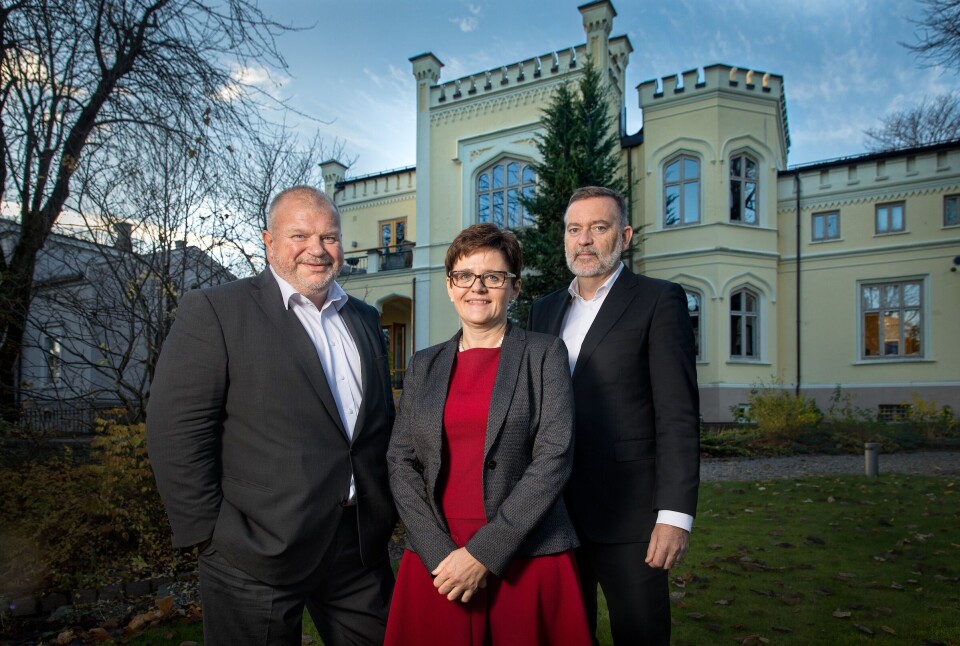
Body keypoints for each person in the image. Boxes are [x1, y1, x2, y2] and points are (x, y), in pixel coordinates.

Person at [147, 186, 397, 646]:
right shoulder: (219, 311)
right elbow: (175, 434)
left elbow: (375, 425)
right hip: (255, 549)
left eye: (330, 237)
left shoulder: (364, 318)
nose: (317, 250)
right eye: (300, 235)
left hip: (357, 546)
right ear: (268, 240)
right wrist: (213, 535)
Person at [385, 223, 591, 645]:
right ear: (449, 286)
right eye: (464, 276)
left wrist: (484, 552)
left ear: (513, 289)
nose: (477, 288)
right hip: (438, 555)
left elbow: (554, 457)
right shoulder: (424, 364)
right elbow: (400, 460)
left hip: (526, 551)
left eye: (493, 277)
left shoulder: (544, 354)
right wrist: (439, 551)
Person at [527, 186, 700, 646]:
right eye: (574, 229)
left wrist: (675, 515)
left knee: (640, 635)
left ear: (623, 236)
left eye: (598, 228)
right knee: (566, 636)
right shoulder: (543, 311)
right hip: (555, 515)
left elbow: (678, 414)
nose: (584, 240)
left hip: (631, 517)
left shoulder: (658, 301)